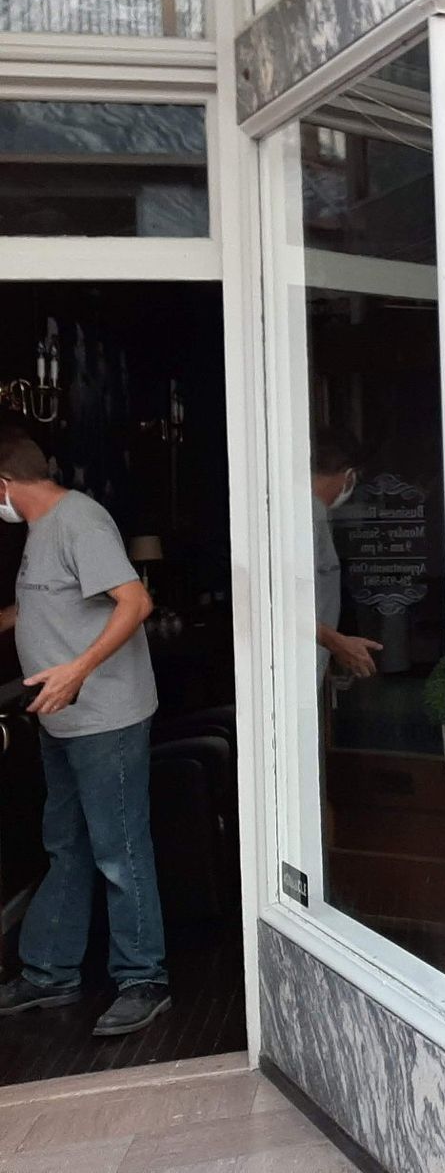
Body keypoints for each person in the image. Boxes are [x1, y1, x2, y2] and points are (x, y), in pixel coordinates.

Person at [0, 429, 169, 1036]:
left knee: (118, 852)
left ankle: (143, 979)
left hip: (105, 718)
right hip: (60, 718)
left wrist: (76, 670)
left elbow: (135, 602)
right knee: (65, 845)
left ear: (5, 484)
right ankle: (50, 973)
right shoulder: (41, 532)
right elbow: (52, 601)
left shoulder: (82, 522)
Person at [312, 431, 381, 683]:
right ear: (349, 476)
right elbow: (283, 606)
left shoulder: (317, 516)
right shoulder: (303, 519)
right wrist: (337, 643)